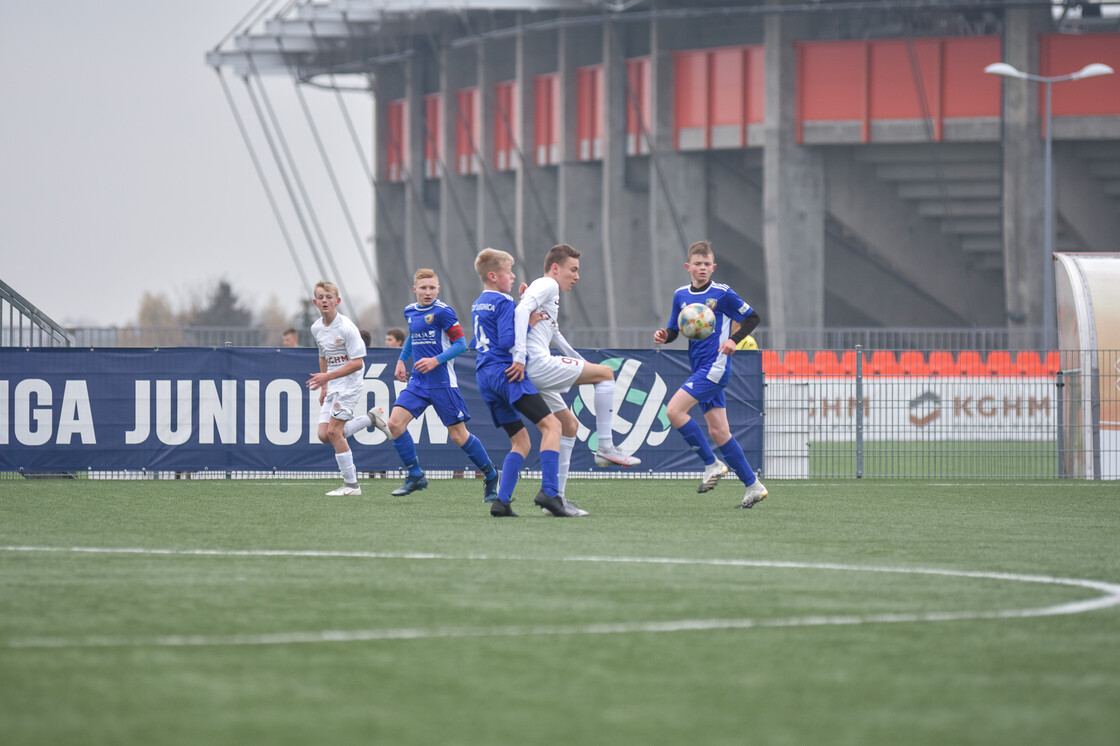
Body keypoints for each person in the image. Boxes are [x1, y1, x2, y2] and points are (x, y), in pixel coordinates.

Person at [511, 243, 641, 515]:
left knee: (569, 426)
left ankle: (554, 501)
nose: (577, 276)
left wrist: (580, 361)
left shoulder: (548, 293)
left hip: (534, 369)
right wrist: (520, 356)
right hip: (536, 364)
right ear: (556, 269)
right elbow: (521, 312)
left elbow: (554, 334)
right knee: (606, 374)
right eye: (573, 270)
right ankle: (605, 446)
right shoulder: (548, 285)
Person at [653, 240, 768, 509]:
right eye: (698, 264)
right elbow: (674, 330)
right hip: (699, 367)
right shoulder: (681, 294)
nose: (702, 268)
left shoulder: (723, 293)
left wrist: (734, 340)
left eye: (707, 264)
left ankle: (711, 463)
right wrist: (664, 335)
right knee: (719, 432)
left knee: (673, 411)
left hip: (715, 368)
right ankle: (753, 485)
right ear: (688, 267)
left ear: (713, 267)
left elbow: (753, 318)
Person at [375, 268, 500, 501]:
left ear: (438, 289)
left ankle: (491, 475)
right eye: (423, 288)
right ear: (415, 290)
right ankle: (415, 475)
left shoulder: (444, 312)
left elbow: (461, 344)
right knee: (394, 424)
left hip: (443, 383)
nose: (428, 292)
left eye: (432, 288)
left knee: (458, 436)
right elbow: (413, 335)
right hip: (418, 383)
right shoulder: (410, 311)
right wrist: (402, 360)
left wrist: (435, 360)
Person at [470, 248, 570, 517]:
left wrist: (521, 305)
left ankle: (501, 502)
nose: (513, 276)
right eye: (508, 272)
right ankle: (550, 494)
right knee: (552, 426)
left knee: (521, 442)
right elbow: (505, 341)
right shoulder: (503, 302)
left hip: (484, 376)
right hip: (507, 374)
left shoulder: (478, 303)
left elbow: (477, 342)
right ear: (493, 275)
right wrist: (527, 322)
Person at [305, 281, 385, 496]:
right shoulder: (316, 328)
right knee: (324, 435)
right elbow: (323, 355)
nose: (324, 300)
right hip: (333, 384)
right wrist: (324, 386)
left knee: (334, 432)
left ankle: (351, 486)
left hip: (350, 383)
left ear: (337, 301)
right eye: (320, 297)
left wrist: (327, 376)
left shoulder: (347, 327)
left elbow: (358, 362)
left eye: (329, 297)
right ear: (315, 302)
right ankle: (371, 418)